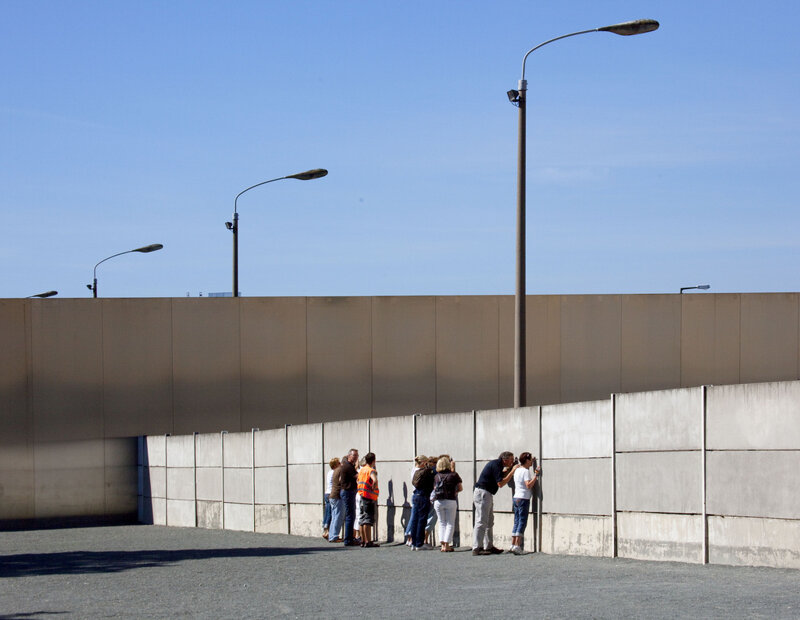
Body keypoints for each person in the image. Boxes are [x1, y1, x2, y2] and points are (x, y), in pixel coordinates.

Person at [472, 451, 519, 556]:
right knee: (481, 520)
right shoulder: (497, 465)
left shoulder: (496, 464)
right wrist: (512, 471)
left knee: (489, 521)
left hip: (486, 493)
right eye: (511, 460)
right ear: (505, 459)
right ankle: (476, 547)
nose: (512, 462)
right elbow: (501, 483)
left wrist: (509, 470)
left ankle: (488, 545)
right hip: (483, 492)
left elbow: (500, 476)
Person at [510, 452, 540, 555]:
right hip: (523, 498)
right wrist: (536, 475)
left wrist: (533, 460)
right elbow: (528, 485)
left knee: (516, 521)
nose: (531, 461)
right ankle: (518, 546)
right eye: (530, 460)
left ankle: (513, 544)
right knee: (522, 522)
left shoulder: (517, 470)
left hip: (516, 497)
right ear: (527, 460)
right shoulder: (526, 471)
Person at [432, 455, 462, 552]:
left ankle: (442, 545)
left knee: (441, 522)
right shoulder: (454, 475)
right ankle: (447, 544)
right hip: (450, 500)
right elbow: (460, 488)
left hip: (438, 501)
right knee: (450, 523)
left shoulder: (436, 476)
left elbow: (434, 488)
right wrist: (455, 492)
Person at [408, 455, 435, 550]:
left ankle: (413, 542)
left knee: (415, 519)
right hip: (423, 496)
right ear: (424, 463)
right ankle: (419, 543)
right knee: (422, 520)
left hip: (416, 495)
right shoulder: (426, 472)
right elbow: (434, 474)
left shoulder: (416, 471)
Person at [356, 452, 380, 547]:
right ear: (374, 461)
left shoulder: (362, 470)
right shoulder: (371, 470)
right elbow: (374, 480)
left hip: (361, 494)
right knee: (368, 519)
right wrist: (373, 487)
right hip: (368, 497)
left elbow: (358, 480)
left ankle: (362, 540)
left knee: (361, 519)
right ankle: (368, 541)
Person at [339, 448, 360, 546]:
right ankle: (348, 539)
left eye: (357, 455)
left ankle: (349, 538)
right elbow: (358, 476)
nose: (356, 457)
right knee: (350, 516)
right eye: (354, 455)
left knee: (350, 515)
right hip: (348, 492)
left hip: (348, 492)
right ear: (349, 456)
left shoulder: (349, 465)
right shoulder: (348, 466)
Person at [404, 455, 427, 546]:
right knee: (417, 518)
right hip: (420, 494)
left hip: (415, 495)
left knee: (414, 517)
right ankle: (411, 537)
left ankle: (411, 538)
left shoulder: (414, 469)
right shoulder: (420, 471)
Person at [327, 456, 347, 543]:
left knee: (334, 516)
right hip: (337, 496)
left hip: (333, 495)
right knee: (338, 517)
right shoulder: (340, 470)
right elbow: (340, 480)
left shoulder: (335, 470)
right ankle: (334, 536)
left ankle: (331, 535)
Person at [322, 457, 340, 539]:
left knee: (327, 512)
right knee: (331, 513)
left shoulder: (329, 472)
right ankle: (327, 531)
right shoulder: (334, 472)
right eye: (338, 463)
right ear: (335, 465)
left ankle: (325, 529)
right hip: (331, 493)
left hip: (327, 493)